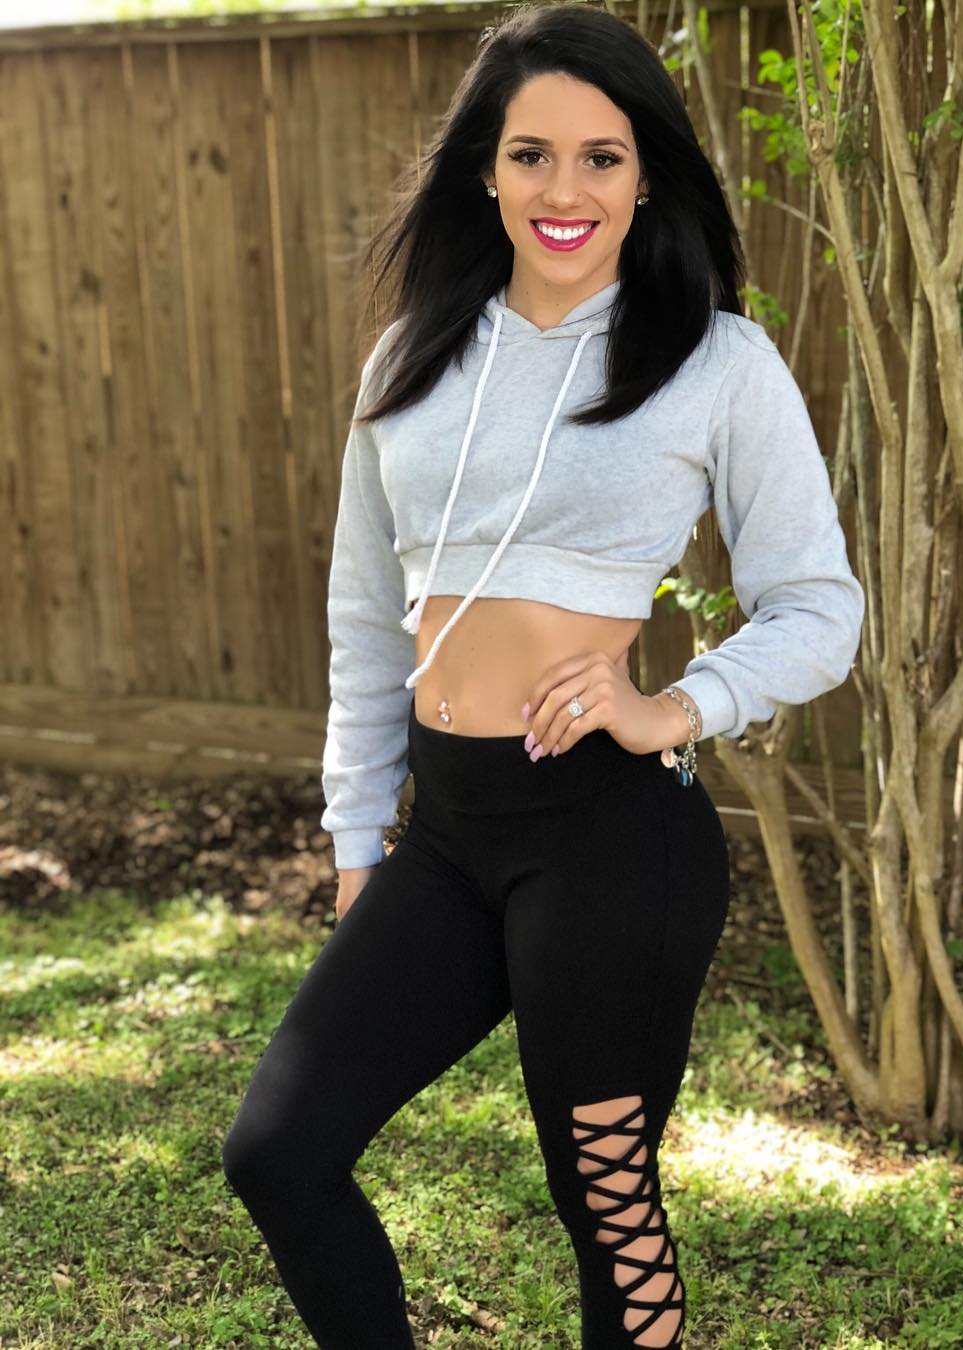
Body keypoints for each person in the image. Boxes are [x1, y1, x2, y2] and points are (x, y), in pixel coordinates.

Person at [221, 3, 865, 1346]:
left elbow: (820, 607)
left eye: (601, 157)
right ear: (487, 169)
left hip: (609, 839)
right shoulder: (410, 359)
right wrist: (356, 838)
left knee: (606, 1201)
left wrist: (674, 704)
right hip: (447, 836)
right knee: (280, 1150)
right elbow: (364, 617)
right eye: (531, 154)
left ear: (647, 177)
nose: (564, 191)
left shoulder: (715, 361)